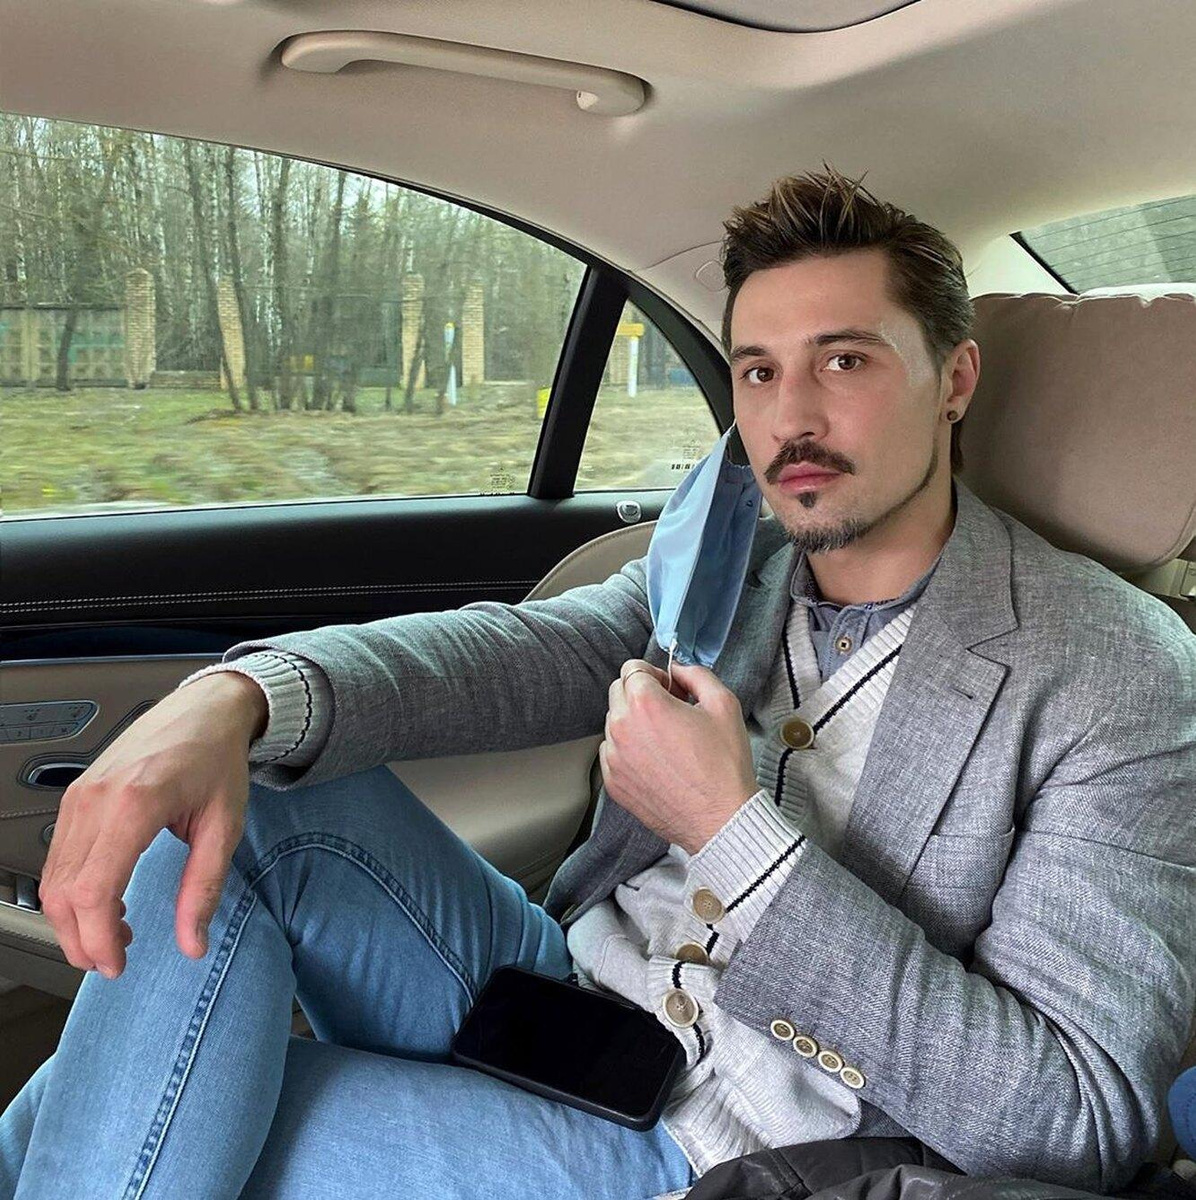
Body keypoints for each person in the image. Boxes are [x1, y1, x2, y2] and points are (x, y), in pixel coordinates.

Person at [2, 166, 1193, 1199]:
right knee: (244, 799)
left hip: (730, 1141)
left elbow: (1073, 1120)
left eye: (843, 360)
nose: (790, 417)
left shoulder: (1118, 673)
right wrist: (236, 699)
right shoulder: (738, 564)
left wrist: (730, 834)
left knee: (120, 1122)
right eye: (757, 372)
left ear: (953, 379)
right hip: (563, 1007)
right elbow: (522, 650)